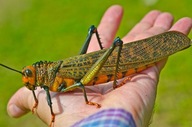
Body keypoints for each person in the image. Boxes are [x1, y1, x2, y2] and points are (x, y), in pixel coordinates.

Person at [7, 5, 192, 127]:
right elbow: (41, 90)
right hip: (90, 69)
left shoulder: (52, 79)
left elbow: (80, 84)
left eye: (29, 77)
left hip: (94, 72)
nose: (29, 83)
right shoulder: (45, 82)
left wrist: (88, 102)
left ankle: (113, 66)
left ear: (39, 74)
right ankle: (110, 53)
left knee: (88, 68)